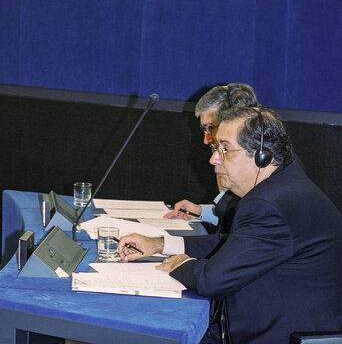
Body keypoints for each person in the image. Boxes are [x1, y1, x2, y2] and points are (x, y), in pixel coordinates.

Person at [119, 105, 342, 344]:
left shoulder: (270, 204)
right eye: (217, 148)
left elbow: (211, 280)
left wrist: (181, 264)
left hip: (277, 336)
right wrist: (160, 244)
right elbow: (235, 245)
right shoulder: (285, 180)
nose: (214, 158)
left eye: (225, 149)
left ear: (260, 156)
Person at [165, 83, 259, 234]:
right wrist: (200, 211)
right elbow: (234, 218)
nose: (206, 139)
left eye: (211, 128)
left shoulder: (258, 163)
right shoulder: (228, 156)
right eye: (204, 129)